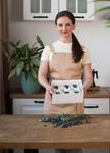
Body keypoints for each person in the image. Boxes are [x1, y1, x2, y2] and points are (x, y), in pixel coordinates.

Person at [38, 10, 93, 153]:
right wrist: (46, 86)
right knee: (58, 145)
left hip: (74, 101)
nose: (64, 28)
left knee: (75, 145)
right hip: (54, 99)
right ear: (56, 27)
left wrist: (84, 88)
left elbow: (88, 77)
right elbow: (41, 75)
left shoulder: (82, 50)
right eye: (60, 25)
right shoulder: (49, 49)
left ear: (74, 26)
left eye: (68, 25)